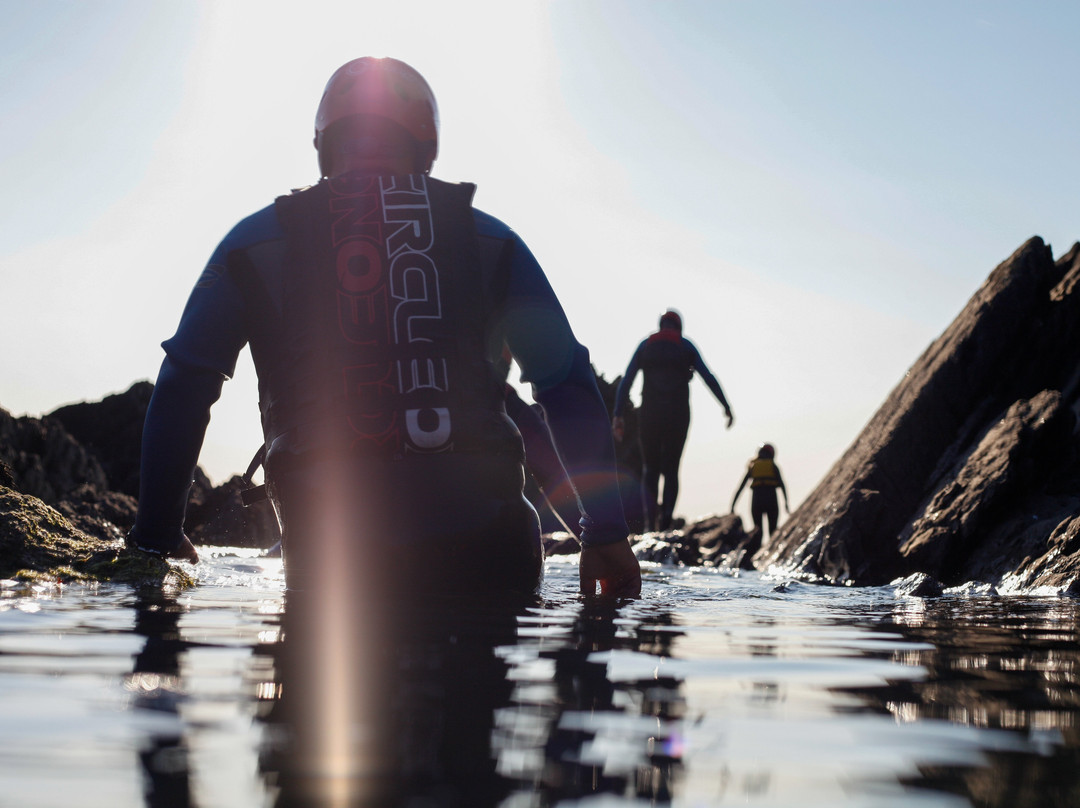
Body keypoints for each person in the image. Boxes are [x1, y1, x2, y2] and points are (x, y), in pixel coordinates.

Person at [126, 56, 640, 599]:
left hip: (335, 559)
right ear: (425, 142)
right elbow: (565, 382)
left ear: (325, 141)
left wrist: (157, 536)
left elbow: (186, 383)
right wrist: (603, 532)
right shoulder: (493, 241)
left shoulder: (253, 243)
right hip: (494, 556)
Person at [612, 309, 733, 531]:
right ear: (679, 327)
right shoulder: (685, 346)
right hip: (678, 415)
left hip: (650, 414)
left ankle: (650, 527)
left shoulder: (645, 346)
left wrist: (618, 414)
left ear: (661, 325)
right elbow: (708, 377)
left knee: (650, 469)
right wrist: (725, 406)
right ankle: (666, 523)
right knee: (671, 470)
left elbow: (627, 380)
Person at [730, 442, 789, 539]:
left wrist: (733, 505)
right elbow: (782, 485)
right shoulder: (773, 466)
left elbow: (741, 487)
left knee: (758, 531)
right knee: (773, 531)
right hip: (771, 499)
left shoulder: (753, 466)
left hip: (757, 500)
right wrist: (786, 503)